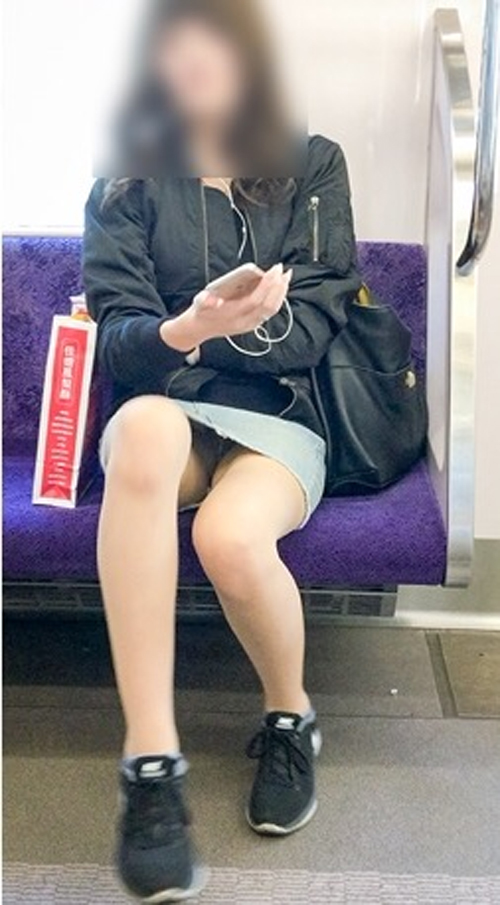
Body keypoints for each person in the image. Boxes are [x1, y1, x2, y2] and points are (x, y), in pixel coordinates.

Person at [83, 0, 361, 900]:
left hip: (279, 412)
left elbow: (315, 322)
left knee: (230, 539)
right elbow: (119, 339)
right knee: (145, 428)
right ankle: (151, 765)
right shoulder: (126, 176)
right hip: (168, 408)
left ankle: (290, 715)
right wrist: (187, 330)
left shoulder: (311, 164)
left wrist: (211, 338)